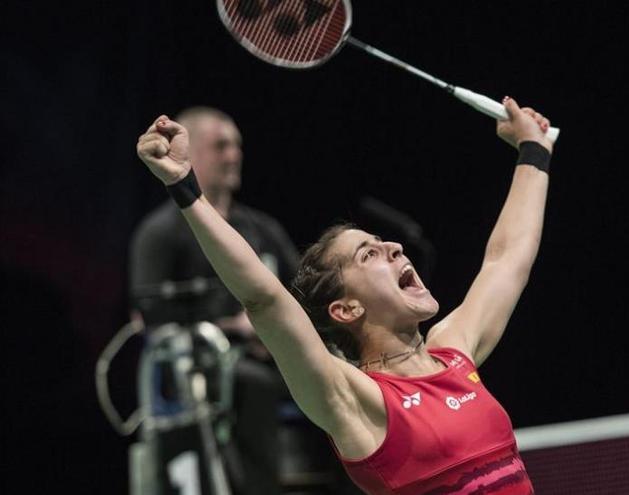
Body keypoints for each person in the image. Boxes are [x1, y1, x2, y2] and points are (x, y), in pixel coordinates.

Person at [135, 96, 554, 494]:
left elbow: (506, 259)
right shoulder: (356, 399)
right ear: (346, 308)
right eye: (369, 253)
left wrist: (533, 151)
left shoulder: (454, 353)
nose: (394, 247)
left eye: (384, 243)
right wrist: (185, 187)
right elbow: (264, 298)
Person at [129, 107, 307, 495]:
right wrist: (236, 327)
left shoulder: (262, 229)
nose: (234, 155)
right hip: (211, 371)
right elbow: (148, 312)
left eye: (237, 146)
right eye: (221, 146)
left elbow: (304, 292)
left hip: (279, 358)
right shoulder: (159, 233)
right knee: (250, 383)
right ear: (188, 150)